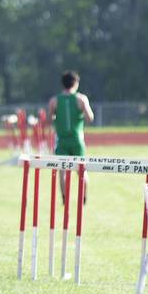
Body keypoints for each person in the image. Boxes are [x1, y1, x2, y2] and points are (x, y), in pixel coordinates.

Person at [48, 70, 94, 203]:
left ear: (63, 84)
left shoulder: (54, 100)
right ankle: (83, 197)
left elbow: (49, 119)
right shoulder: (81, 99)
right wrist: (79, 116)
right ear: (75, 83)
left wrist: (59, 118)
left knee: (62, 170)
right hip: (77, 139)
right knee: (81, 170)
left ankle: (64, 198)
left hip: (61, 140)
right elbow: (90, 117)